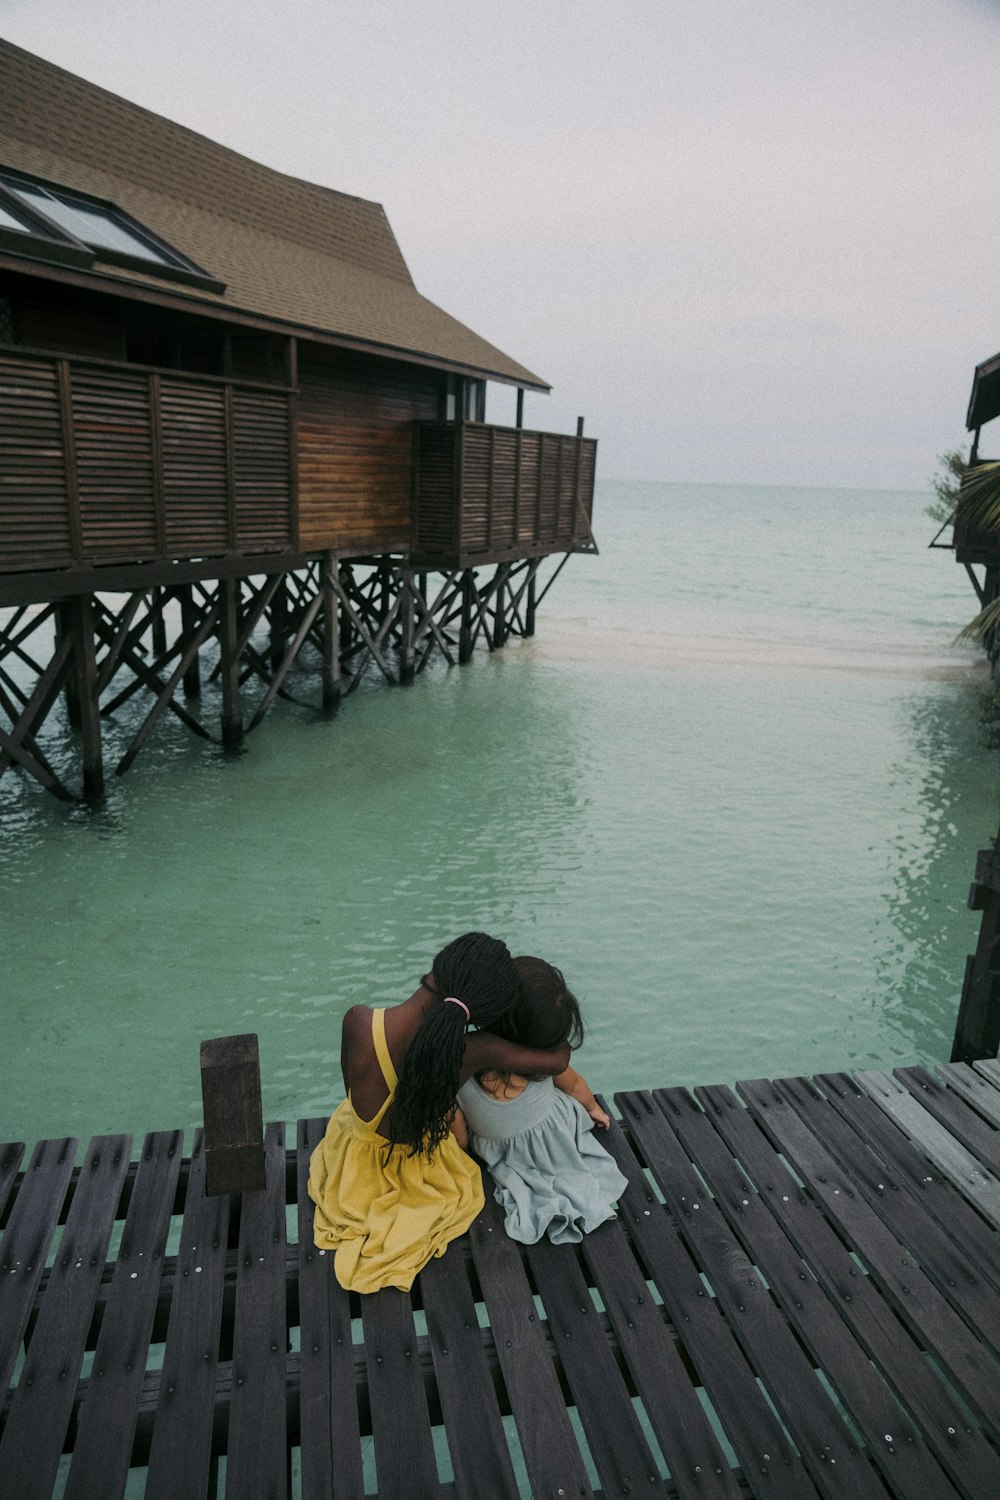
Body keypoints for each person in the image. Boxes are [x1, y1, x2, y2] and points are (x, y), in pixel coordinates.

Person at [308, 932, 572, 1293]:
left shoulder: (358, 1021)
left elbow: (350, 1091)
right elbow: (559, 1060)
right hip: (419, 1170)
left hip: (356, 1161)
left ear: (440, 963)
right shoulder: (474, 1050)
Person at [454, 956, 627, 1245]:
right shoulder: (542, 1062)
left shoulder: (461, 1065)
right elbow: (573, 1085)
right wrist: (593, 1108)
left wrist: (466, 1146)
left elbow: (459, 1136)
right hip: (554, 1134)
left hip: (503, 1152)